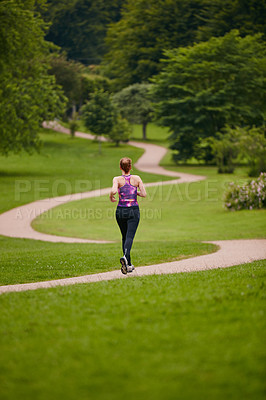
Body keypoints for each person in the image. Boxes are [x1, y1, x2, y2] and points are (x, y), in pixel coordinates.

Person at [110, 157, 146, 274]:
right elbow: (144, 194)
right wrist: (135, 192)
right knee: (129, 237)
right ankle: (125, 258)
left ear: (120, 167)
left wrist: (111, 196)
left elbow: (114, 191)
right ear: (130, 167)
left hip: (120, 211)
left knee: (124, 237)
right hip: (133, 211)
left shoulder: (117, 179)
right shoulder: (137, 178)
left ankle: (128, 265)